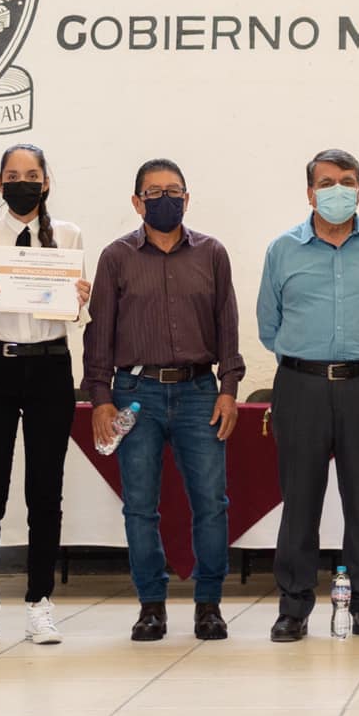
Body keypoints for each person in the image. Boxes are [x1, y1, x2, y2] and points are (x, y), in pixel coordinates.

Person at [82, 158, 244, 642]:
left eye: (173, 191)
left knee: (212, 504)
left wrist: (230, 390)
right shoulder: (116, 257)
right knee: (139, 506)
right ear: (137, 202)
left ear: (188, 199)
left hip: (199, 392)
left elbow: (227, 327)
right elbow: (99, 334)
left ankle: (208, 605)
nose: (164, 199)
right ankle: (150, 606)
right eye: (153, 193)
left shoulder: (212, 253)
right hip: (134, 395)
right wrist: (99, 398)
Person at [259, 148, 359, 643]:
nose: (338, 190)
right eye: (327, 182)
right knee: (299, 500)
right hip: (300, 385)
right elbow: (268, 323)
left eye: (347, 180)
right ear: (309, 193)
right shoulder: (283, 249)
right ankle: (294, 606)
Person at [0, 143, 89, 647]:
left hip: (52, 366)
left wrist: (81, 298)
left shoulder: (70, 233)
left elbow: (76, 310)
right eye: (12, 175)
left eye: (32, 174)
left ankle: (40, 601)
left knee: (45, 489)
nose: (22, 182)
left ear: (46, 182)